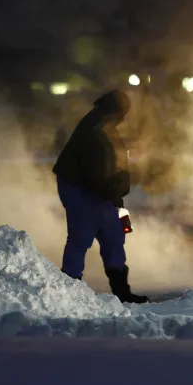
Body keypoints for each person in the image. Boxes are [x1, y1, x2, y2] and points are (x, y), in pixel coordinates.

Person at [53, 89, 149, 304]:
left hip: (101, 190)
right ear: (115, 110)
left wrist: (120, 185)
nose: (123, 118)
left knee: (114, 235)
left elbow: (118, 163)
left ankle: (121, 291)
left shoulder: (108, 128)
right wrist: (112, 191)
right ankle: (70, 290)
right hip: (79, 188)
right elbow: (94, 172)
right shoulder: (93, 130)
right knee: (81, 235)